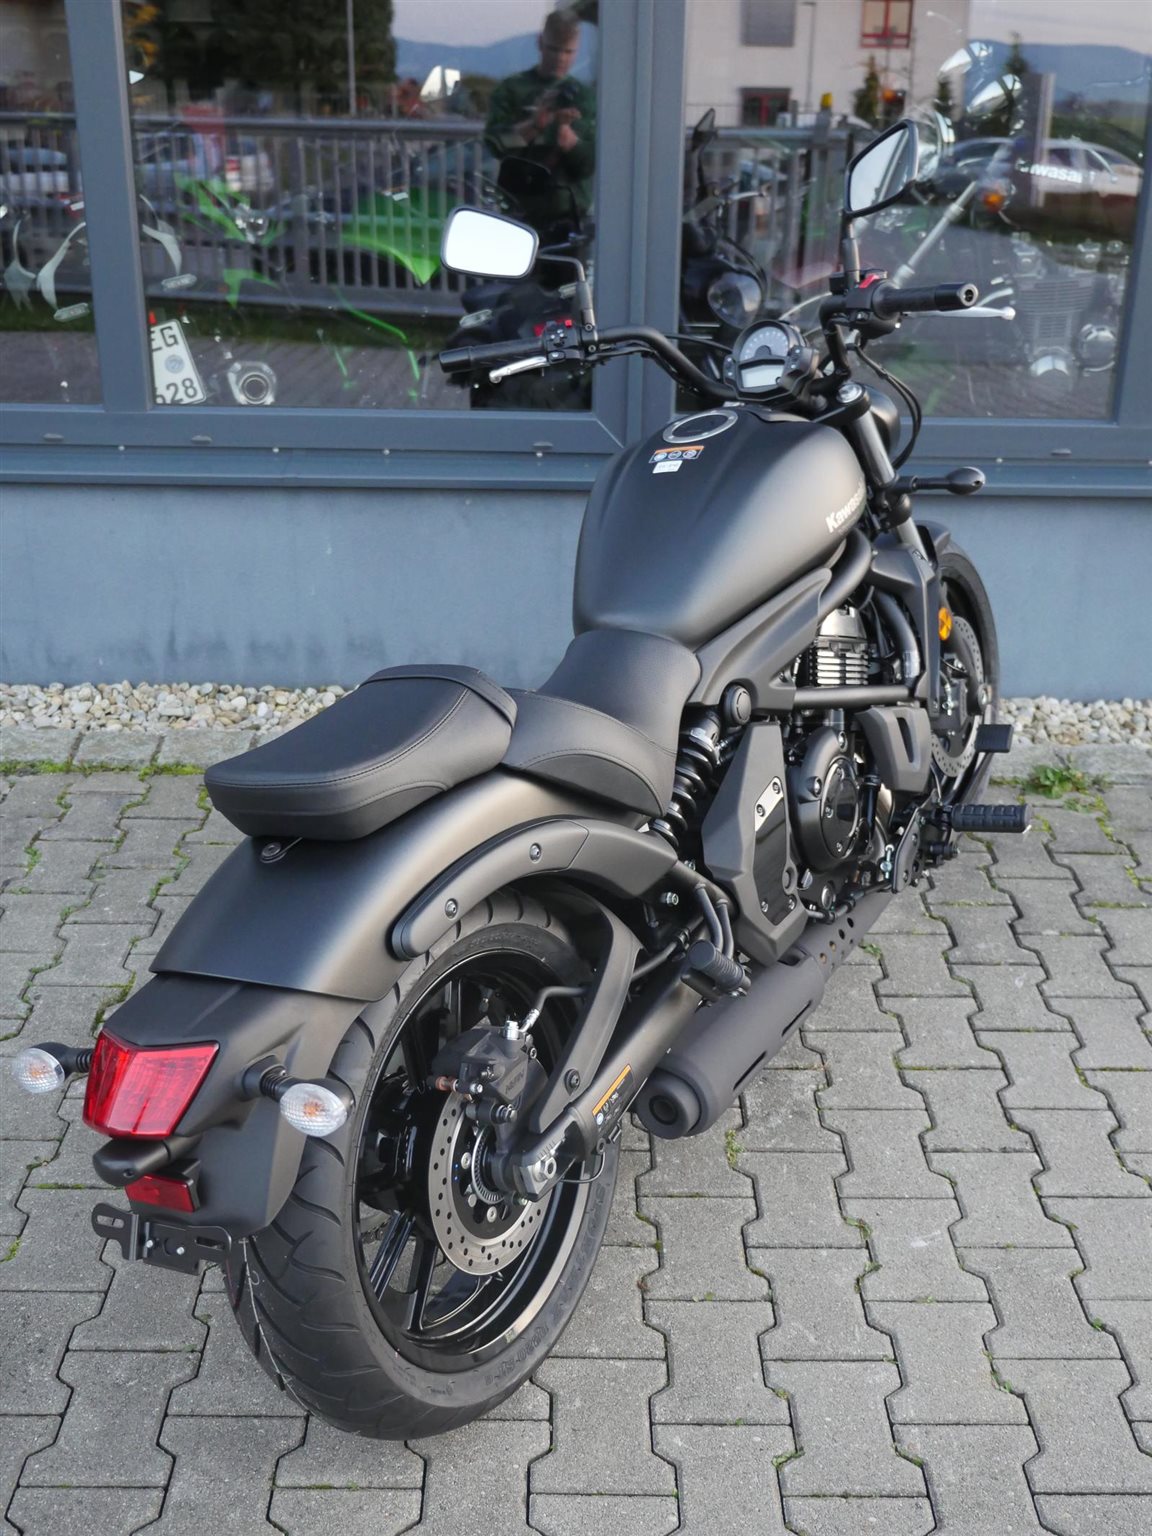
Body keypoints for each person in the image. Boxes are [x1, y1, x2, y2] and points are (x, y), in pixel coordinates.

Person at [485, 8, 595, 240]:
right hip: (519, 211)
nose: (560, 58)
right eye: (554, 49)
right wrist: (534, 125)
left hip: (569, 214)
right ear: (540, 43)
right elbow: (495, 144)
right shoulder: (512, 89)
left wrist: (566, 135)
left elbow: (589, 163)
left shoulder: (584, 97)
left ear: (576, 51)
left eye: (568, 52)